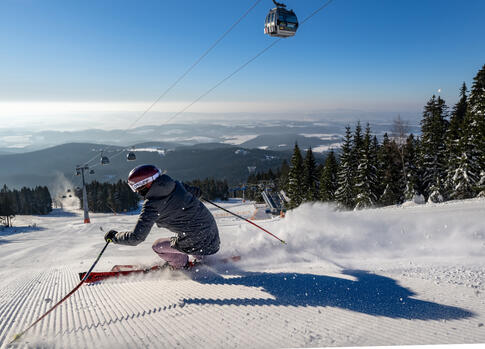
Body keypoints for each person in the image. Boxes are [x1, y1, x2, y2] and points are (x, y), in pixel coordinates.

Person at [104, 164, 220, 269]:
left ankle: (180, 265)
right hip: (213, 236)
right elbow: (197, 192)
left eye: (136, 187)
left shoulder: (152, 205)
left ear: (146, 183)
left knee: (157, 245)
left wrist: (115, 237)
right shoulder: (175, 184)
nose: (137, 191)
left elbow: (136, 238)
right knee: (186, 234)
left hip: (197, 241)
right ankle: (203, 259)